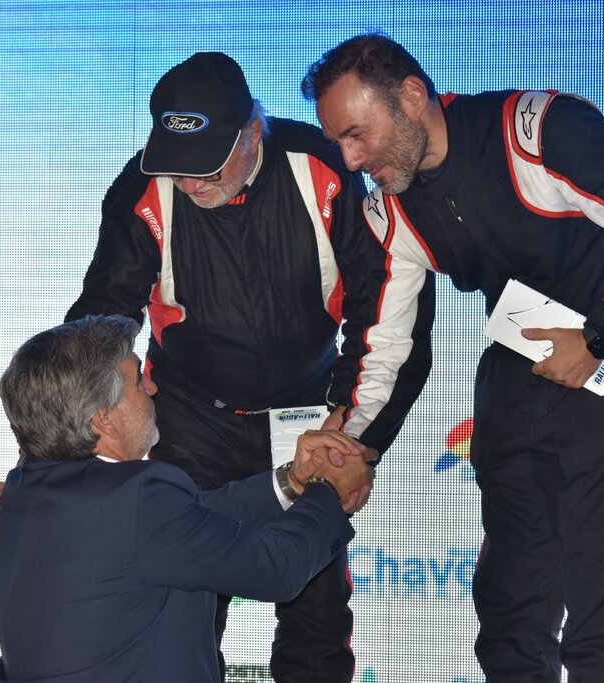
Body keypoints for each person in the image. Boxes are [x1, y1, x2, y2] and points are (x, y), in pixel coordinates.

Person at [303, 34, 604, 682]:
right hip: (515, 370)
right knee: (509, 609)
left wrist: (599, 337)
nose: (350, 159)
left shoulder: (538, 131)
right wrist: (349, 439)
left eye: (357, 135)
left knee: (602, 600)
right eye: (338, 143)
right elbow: (386, 347)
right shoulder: (389, 212)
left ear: (411, 97)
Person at [65, 51, 433, 682]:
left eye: (207, 164)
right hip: (190, 420)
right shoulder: (142, 188)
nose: (190, 183)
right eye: (177, 165)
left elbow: (384, 305)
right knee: (181, 610)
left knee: (317, 610)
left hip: (308, 415)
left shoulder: (323, 167)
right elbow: (101, 318)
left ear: (253, 133)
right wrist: (63, 451)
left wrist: (352, 428)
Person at [0, 314, 376, 683]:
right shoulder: (138, 498)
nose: (152, 387)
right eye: (138, 380)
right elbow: (277, 568)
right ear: (103, 419)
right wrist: (329, 490)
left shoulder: (26, 491)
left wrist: (292, 481)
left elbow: (186, 525)